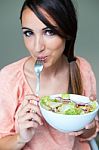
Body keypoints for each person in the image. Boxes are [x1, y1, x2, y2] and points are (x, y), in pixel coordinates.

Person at [0, 0, 99, 149]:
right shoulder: (9, 78)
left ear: (68, 32)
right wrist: (21, 138)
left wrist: (87, 127)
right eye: (28, 33)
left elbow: (90, 132)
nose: (37, 47)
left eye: (49, 32)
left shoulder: (82, 69)